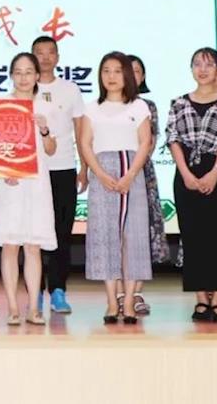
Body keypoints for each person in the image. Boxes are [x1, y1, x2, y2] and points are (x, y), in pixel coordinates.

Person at [165, 47, 217, 324]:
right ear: (191, 69)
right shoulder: (178, 103)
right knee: (193, 236)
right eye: (197, 64)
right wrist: (186, 173)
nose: (203, 69)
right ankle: (200, 297)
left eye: (209, 65)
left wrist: (215, 172)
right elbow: (172, 138)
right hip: (187, 172)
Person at [79, 51, 153, 325]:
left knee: (133, 237)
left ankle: (130, 301)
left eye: (117, 71)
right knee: (106, 236)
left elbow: (145, 143)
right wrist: (99, 173)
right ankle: (112, 301)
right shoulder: (92, 108)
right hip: (102, 174)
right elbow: (85, 143)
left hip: (132, 173)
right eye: (106, 71)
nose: (111, 76)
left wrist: (131, 174)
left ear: (127, 75)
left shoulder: (138, 106)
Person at [0, 53, 58, 326]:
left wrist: (44, 130)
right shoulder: (1, 105)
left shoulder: (45, 106)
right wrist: (5, 171)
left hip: (37, 182)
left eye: (29, 72)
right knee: (10, 245)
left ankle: (34, 308)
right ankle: (13, 308)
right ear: (11, 75)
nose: (24, 77)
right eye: (18, 72)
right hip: (10, 183)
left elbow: (51, 149)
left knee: (33, 246)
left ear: (37, 75)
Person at [31, 36, 87, 314]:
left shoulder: (70, 89)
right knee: (34, 235)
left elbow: (80, 130)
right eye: (39, 53)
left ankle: (58, 290)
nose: (45, 57)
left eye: (50, 52)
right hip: (32, 171)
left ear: (58, 57)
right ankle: (35, 291)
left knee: (62, 233)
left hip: (64, 168)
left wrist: (84, 167)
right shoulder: (24, 89)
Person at [123, 54, 170, 316]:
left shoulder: (148, 106)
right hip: (112, 174)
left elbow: (149, 144)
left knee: (141, 233)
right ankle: (120, 294)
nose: (132, 76)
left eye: (137, 71)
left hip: (141, 173)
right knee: (118, 235)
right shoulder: (104, 105)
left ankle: (136, 292)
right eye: (126, 70)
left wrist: (132, 170)